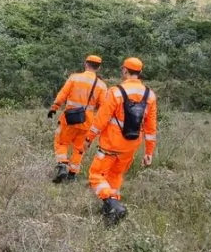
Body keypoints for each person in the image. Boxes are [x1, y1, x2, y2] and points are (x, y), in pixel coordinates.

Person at [84, 57, 158, 226]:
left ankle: (114, 205)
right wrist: (149, 152)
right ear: (140, 72)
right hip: (130, 146)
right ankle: (110, 211)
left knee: (96, 176)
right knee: (116, 175)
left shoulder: (115, 92)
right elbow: (151, 128)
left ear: (125, 70)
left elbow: (101, 119)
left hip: (110, 145)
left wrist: (89, 138)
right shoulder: (150, 95)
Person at [47, 55, 108, 184]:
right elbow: (103, 107)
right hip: (87, 121)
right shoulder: (102, 85)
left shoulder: (74, 77)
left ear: (85, 64)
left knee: (61, 142)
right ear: (99, 68)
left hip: (69, 118)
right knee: (80, 148)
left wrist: (54, 107)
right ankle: (72, 174)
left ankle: (62, 165)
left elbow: (63, 94)